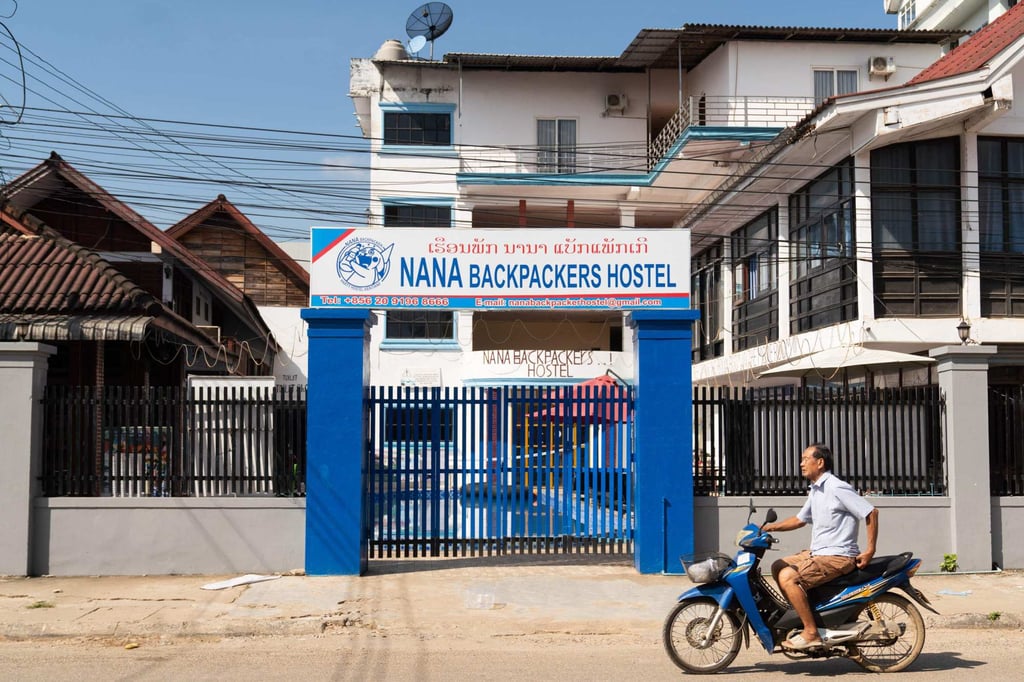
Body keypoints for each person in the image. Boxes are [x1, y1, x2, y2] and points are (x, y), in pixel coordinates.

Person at [761, 443, 879, 651]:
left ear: (820, 462)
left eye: (806, 459)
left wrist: (870, 550)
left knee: (788, 577)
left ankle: (811, 632)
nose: (801, 463)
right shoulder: (816, 490)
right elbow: (799, 520)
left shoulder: (836, 487)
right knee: (778, 566)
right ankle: (800, 612)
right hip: (819, 553)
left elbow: (871, 512)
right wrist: (768, 528)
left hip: (837, 556)